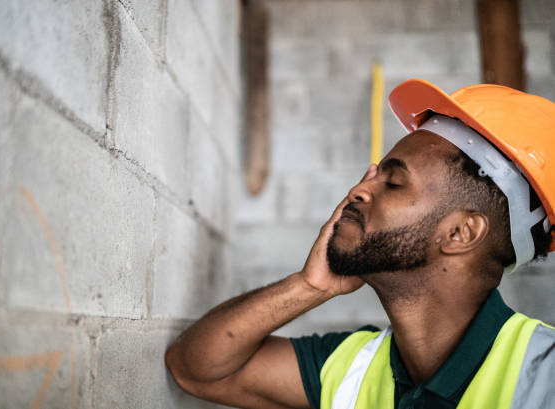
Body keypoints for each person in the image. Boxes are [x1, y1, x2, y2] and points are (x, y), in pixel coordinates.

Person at [165, 79, 555, 409]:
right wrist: (309, 287)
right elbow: (194, 368)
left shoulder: (545, 376)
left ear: (460, 234)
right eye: (371, 176)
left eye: (393, 182)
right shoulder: (354, 365)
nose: (357, 191)